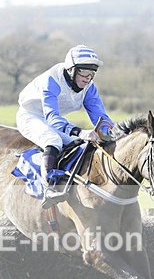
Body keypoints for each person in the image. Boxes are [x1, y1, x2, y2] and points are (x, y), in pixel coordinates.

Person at [16, 44, 114, 208]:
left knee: (81, 145)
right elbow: (53, 118)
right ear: (71, 70)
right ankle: (49, 188)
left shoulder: (89, 88)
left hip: (52, 119)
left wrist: (114, 132)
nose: (88, 77)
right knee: (52, 139)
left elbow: (101, 117)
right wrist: (80, 132)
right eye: (83, 71)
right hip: (30, 116)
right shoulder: (52, 80)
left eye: (92, 73)